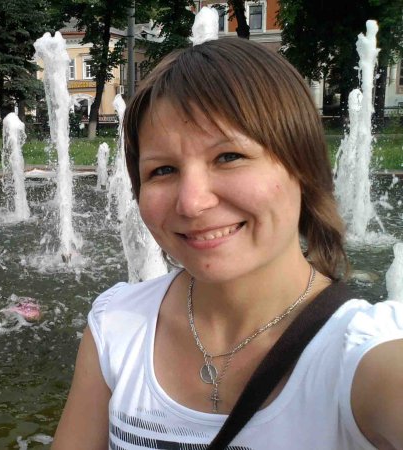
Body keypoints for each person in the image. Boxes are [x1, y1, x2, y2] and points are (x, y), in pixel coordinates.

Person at [51, 38, 403, 449]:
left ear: (303, 166)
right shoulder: (117, 324)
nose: (192, 202)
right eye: (162, 170)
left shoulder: (364, 351)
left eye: (229, 157)